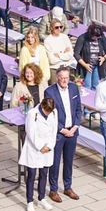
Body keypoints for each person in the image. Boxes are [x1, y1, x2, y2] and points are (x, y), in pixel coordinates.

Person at [44, 67, 83, 203]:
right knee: (55, 162)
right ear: (57, 78)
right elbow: (49, 114)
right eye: (62, 78)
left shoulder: (73, 88)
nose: (65, 80)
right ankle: (53, 189)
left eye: (67, 78)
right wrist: (61, 129)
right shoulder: (49, 92)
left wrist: (75, 126)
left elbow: (78, 109)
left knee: (69, 160)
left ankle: (68, 187)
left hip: (72, 131)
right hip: (59, 133)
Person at [19, 97, 58, 211]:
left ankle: (41, 198)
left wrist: (49, 146)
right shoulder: (32, 114)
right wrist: (40, 146)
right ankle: (29, 201)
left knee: (44, 174)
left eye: (49, 111)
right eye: (46, 111)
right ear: (42, 106)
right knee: (31, 175)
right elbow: (30, 132)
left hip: (47, 148)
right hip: (34, 148)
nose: (48, 113)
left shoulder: (54, 113)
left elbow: (54, 131)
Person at [74, 25, 106, 90]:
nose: (97, 38)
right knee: (87, 86)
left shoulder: (101, 37)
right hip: (86, 66)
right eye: (95, 37)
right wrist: (85, 65)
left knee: (96, 86)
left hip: (97, 65)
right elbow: (76, 54)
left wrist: (103, 58)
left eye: (98, 37)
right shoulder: (82, 38)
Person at [43, 19, 76, 84]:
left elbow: (70, 54)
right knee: (54, 89)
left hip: (66, 67)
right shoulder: (47, 40)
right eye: (56, 27)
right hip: (55, 69)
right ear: (51, 28)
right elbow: (52, 60)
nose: (59, 29)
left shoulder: (65, 37)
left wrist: (59, 55)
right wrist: (64, 53)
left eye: (61, 27)